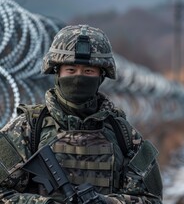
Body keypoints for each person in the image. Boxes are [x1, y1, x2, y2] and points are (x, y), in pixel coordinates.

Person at [0, 25, 163, 203]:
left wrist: (107, 202)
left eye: (88, 71)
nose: (79, 78)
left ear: (101, 76)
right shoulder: (28, 128)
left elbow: (151, 199)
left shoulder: (123, 134)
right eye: (71, 70)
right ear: (57, 72)